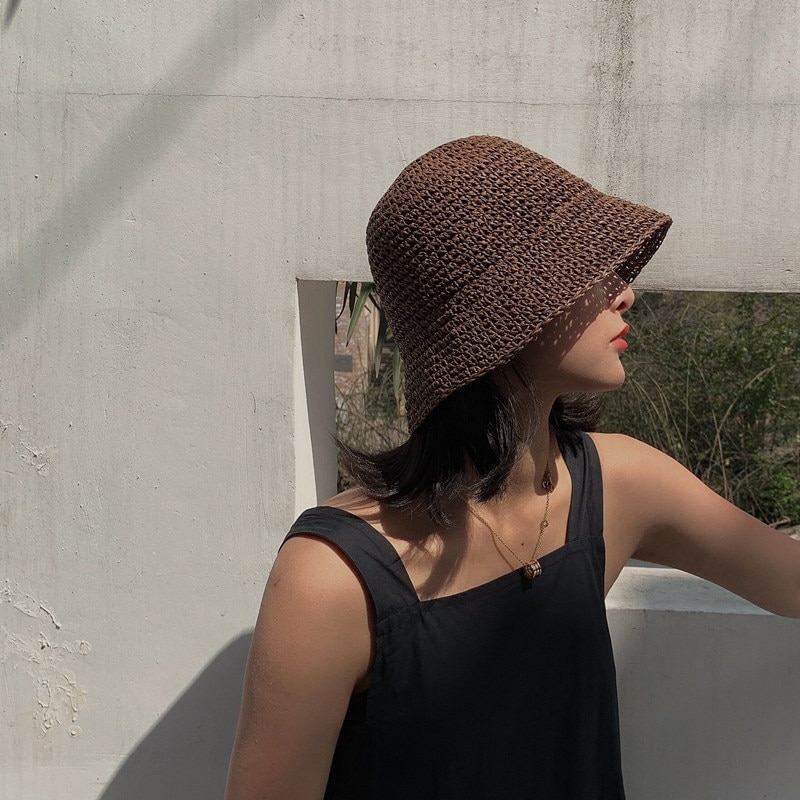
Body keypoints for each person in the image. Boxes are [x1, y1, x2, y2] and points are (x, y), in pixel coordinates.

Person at [224, 136, 800, 800]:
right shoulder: (331, 577)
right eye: (585, 268)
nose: (625, 294)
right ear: (503, 314)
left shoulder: (620, 485)